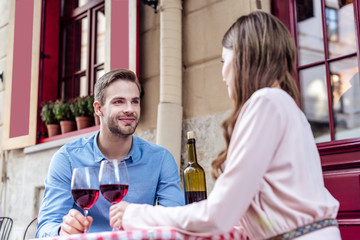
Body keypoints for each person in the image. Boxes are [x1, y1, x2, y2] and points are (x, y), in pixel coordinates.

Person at [109, 11, 341, 239]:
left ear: (243, 58)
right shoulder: (287, 108)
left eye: (224, 61)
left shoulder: (265, 103)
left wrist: (136, 213)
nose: (222, 74)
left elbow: (217, 215)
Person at [36, 69, 185, 237]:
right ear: (99, 109)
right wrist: (61, 230)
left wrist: (139, 215)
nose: (130, 109)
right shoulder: (68, 159)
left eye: (135, 101)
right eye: (119, 102)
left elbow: (176, 220)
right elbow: (45, 228)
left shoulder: (160, 159)